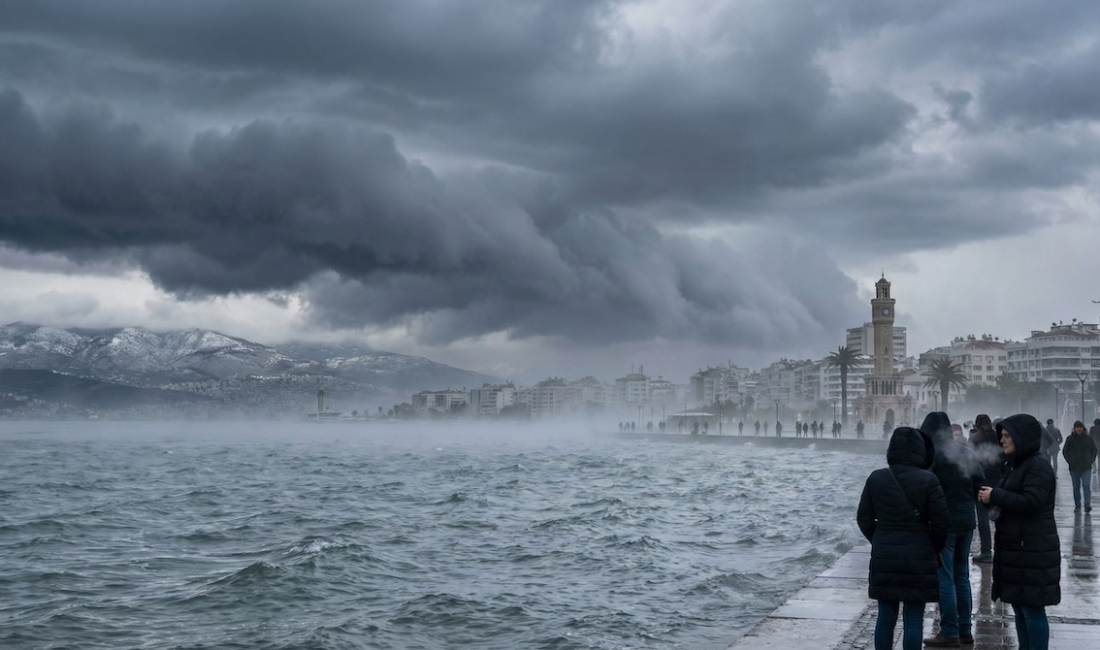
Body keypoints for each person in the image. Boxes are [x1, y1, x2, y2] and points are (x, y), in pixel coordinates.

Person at [858, 426, 949, 650]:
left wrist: (879, 539)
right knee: (913, 619)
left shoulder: (877, 478)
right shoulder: (929, 480)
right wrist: (931, 546)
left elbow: (864, 519)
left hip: (886, 556)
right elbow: (942, 523)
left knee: (886, 617)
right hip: (918, 556)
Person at [977, 414, 1060, 650]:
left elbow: (1032, 502)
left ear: (1021, 438)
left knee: (1032, 610)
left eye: (1006, 436)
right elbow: (1010, 499)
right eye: (1001, 436)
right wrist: (989, 499)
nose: (1002, 440)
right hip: (1019, 547)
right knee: (1021, 608)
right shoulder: (1018, 464)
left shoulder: (1038, 466)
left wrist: (995, 495)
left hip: (1032, 548)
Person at [920, 412, 984, 647]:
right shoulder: (967, 452)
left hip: (944, 523)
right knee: (961, 576)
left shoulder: (931, 455)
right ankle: (965, 630)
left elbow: (923, 488)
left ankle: (948, 632)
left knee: (945, 577)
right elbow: (981, 486)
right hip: (967, 521)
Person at [968, 413, 1002, 563]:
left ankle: (987, 551)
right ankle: (1002, 550)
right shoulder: (999, 437)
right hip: (999, 482)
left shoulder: (975, 438)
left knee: (983, 519)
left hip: (981, 483)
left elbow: (969, 461)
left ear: (977, 424)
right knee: (1001, 517)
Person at [1062, 420, 1098, 513]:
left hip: (1086, 466)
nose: (1079, 429)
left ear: (1083, 428)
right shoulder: (1070, 439)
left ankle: (1087, 504)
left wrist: (1091, 460)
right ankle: (1077, 505)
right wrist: (1070, 461)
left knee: (1086, 485)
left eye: (1080, 427)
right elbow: (1065, 451)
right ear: (1074, 428)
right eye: (1077, 427)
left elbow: (1094, 450)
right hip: (1074, 467)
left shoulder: (1088, 438)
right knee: (1076, 487)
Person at [1090, 419, 1100, 489]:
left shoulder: (1092, 428)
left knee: (1093, 458)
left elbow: (1090, 436)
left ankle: (1094, 469)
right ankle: (1099, 469)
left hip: (1093, 445)